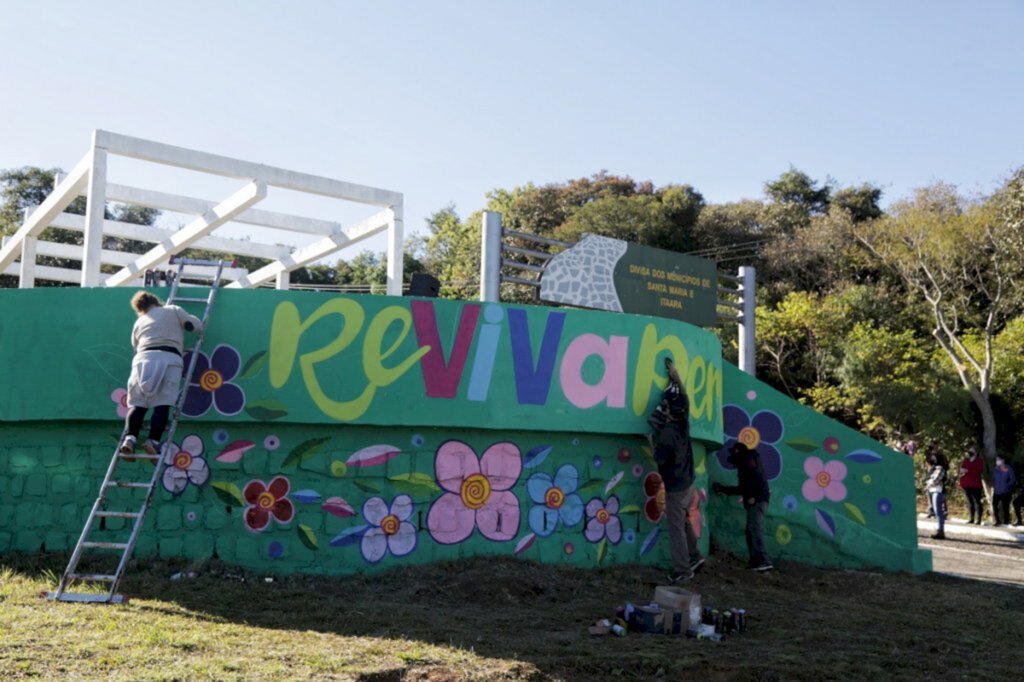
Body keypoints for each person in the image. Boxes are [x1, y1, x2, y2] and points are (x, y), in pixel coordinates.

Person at [119, 291, 202, 456]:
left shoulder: (139, 321)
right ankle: (153, 441)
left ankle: (130, 439)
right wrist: (196, 322)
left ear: (140, 309)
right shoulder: (173, 310)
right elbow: (193, 326)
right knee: (162, 404)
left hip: (143, 360)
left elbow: (135, 345)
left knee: (138, 404)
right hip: (169, 359)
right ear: (156, 301)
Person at [648, 357, 703, 583]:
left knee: (676, 527)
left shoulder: (668, 432)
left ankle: (683, 570)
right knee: (683, 520)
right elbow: (685, 397)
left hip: (677, 486)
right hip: (689, 481)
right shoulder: (683, 421)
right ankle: (695, 556)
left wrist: (650, 441)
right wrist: (676, 376)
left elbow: (659, 458)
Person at [712, 442, 773, 571]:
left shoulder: (748, 459)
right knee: (751, 530)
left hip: (758, 500)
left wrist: (752, 496)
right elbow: (743, 488)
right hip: (759, 499)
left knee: (754, 529)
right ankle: (756, 562)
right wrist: (723, 489)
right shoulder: (748, 460)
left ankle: (763, 561)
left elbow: (754, 477)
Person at [924, 449, 948, 539]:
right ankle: (939, 529)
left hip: (937, 491)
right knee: (935, 511)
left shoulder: (940, 468)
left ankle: (940, 531)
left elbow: (936, 480)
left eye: (934, 456)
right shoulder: (932, 468)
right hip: (931, 490)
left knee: (938, 511)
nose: (932, 458)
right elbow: (926, 479)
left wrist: (929, 482)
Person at [958, 446, 985, 525]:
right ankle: (971, 518)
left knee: (977, 501)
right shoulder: (966, 460)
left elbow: (979, 470)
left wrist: (968, 470)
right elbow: (962, 469)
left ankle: (979, 519)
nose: (970, 452)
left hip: (975, 484)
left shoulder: (979, 461)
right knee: (969, 502)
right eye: (969, 450)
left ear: (976, 452)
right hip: (966, 483)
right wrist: (962, 472)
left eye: (972, 451)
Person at [991, 457, 1017, 526]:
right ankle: (997, 520)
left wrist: (1007, 486)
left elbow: (1013, 479)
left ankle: (1006, 521)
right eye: (996, 460)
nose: (997, 461)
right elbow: (992, 479)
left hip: (1006, 491)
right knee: (994, 505)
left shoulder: (1008, 469)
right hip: (997, 491)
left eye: (999, 460)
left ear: (1003, 460)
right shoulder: (995, 470)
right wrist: (994, 486)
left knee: (1005, 507)